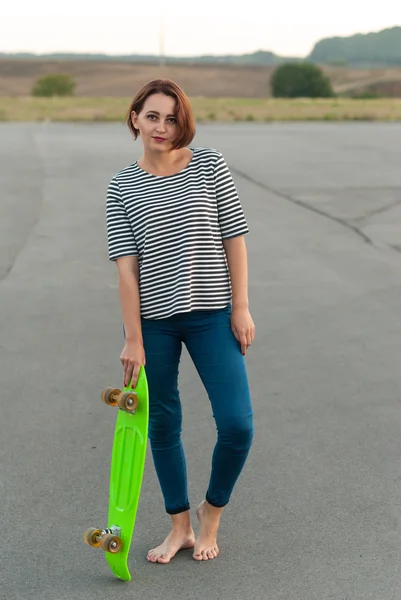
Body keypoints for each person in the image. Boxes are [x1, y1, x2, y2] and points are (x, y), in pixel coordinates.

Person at [106, 79, 255, 564]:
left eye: (171, 118)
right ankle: (179, 527)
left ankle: (211, 514)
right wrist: (134, 339)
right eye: (152, 116)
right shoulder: (121, 187)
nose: (162, 127)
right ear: (135, 117)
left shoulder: (210, 164)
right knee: (163, 424)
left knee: (237, 425)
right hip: (156, 325)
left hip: (213, 316)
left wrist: (241, 306)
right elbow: (127, 272)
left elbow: (234, 238)